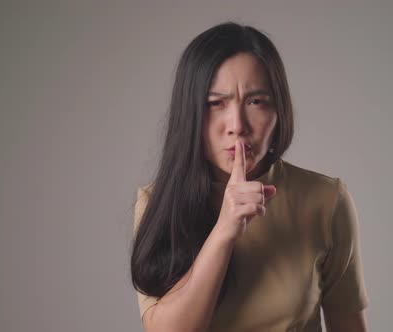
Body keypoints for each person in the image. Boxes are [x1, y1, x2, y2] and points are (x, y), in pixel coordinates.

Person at [130, 22, 369, 332]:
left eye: (256, 102)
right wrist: (225, 230)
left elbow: (348, 324)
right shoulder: (157, 203)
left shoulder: (325, 199)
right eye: (215, 104)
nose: (237, 124)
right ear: (190, 114)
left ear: (279, 111)